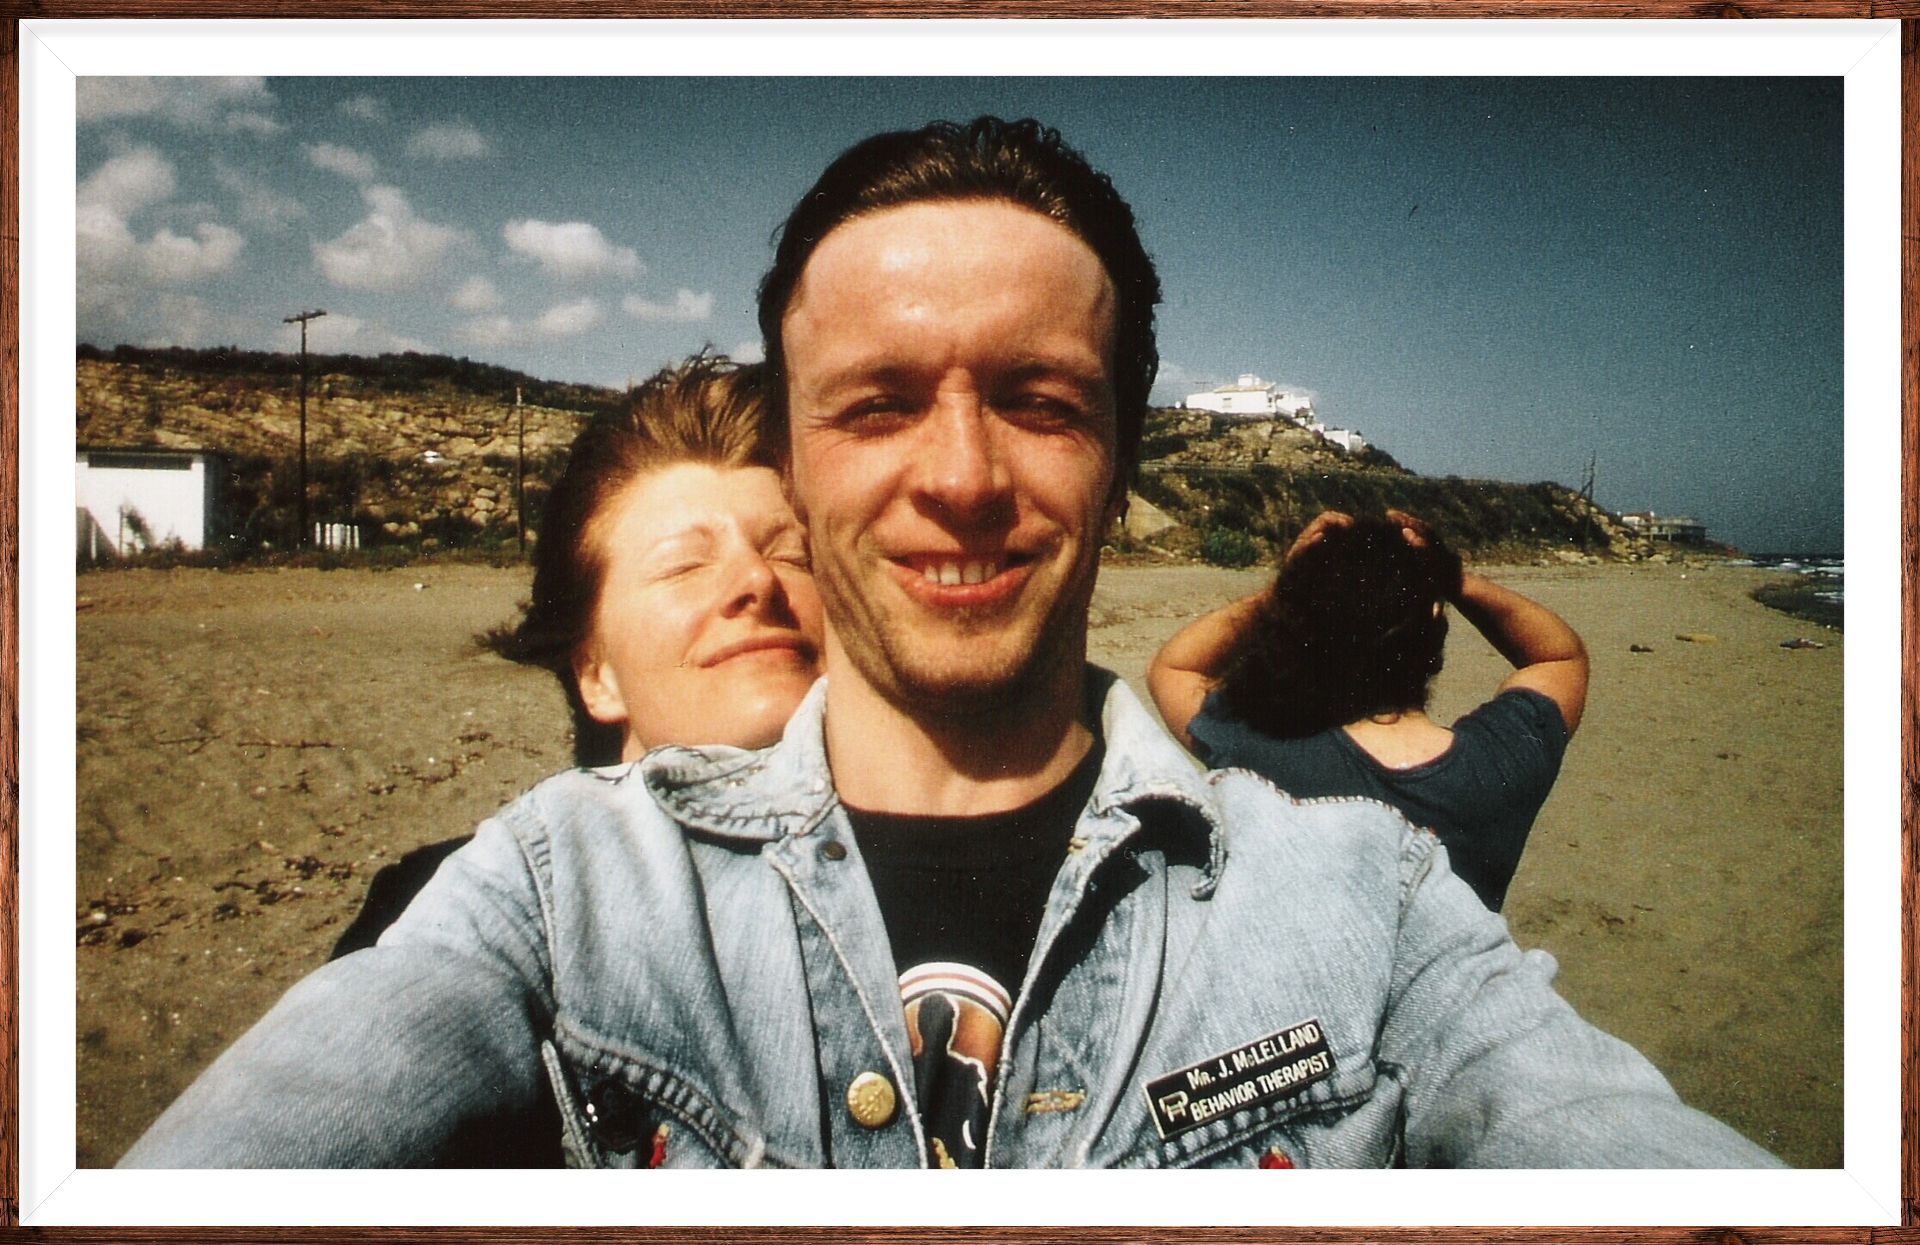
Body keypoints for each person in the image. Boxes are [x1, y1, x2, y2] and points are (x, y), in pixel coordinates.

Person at [123, 117, 1779, 1170]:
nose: (965, 476)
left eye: (1042, 401)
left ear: (1119, 460)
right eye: (880, 403)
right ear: (801, 460)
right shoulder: (559, 895)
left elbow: (1601, 1135)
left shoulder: (1369, 905)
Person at [331, 354, 823, 957]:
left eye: (793, 555)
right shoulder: (461, 905)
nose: (758, 579)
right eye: (685, 565)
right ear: (597, 673)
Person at [1147, 508, 1587, 911]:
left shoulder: (1259, 752)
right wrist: (1453, 579)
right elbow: (1559, 658)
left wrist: (1286, 589)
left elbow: (1176, 667)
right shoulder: (1498, 766)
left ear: (1306, 628)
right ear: (1435, 617)